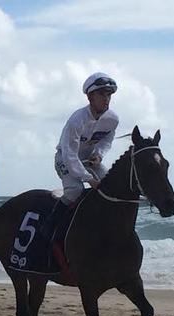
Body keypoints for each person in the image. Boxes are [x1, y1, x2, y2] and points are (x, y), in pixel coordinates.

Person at [40, 72, 119, 242]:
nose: (106, 99)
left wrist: (98, 155)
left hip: (89, 160)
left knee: (111, 187)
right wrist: (88, 179)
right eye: (101, 94)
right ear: (90, 97)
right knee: (75, 190)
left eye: (108, 95)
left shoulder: (112, 119)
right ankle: (50, 225)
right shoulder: (77, 120)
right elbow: (69, 155)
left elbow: (107, 140)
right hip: (65, 159)